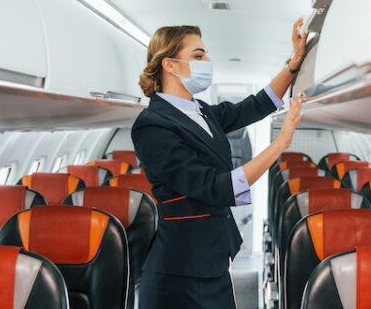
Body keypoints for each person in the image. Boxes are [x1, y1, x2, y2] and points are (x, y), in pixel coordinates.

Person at [132, 17, 309, 308]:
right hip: (178, 273)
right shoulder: (152, 125)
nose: (208, 61)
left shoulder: (202, 112)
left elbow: (257, 105)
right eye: (198, 55)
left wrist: (294, 63)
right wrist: (279, 145)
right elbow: (214, 188)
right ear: (170, 64)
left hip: (212, 260)